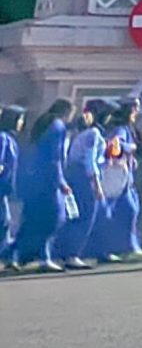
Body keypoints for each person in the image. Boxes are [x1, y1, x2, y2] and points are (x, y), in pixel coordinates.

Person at [9, 101, 73, 271]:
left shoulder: (43, 124)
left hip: (34, 181)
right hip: (48, 183)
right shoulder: (58, 127)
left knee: (32, 220)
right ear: (67, 112)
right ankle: (41, 257)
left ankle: (19, 256)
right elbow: (55, 158)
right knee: (53, 219)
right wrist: (61, 182)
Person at [85, 103, 142, 263]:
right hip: (118, 179)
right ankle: (127, 248)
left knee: (126, 212)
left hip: (123, 178)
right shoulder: (121, 129)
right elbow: (115, 146)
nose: (137, 113)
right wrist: (131, 147)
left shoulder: (128, 129)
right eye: (135, 109)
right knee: (127, 211)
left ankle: (126, 248)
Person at [54, 102, 103, 270]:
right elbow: (91, 161)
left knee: (74, 215)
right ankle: (73, 254)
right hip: (85, 178)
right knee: (86, 216)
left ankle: (64, 252)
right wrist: (97, 185)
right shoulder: (93, 134)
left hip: (72, 175)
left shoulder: (76, 135)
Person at [0, 105, 21, 263]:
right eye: (20, 119)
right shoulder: (3, 138)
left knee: (6, 221)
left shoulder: (10, 138)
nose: (21, 123)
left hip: (4, 187)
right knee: (4, 220)